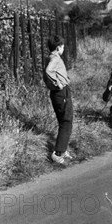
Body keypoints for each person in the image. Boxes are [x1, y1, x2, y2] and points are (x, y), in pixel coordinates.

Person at [44, 35, 74, 165]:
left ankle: (62, 149)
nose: (63, 48)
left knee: (64, 120)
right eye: (62, 46)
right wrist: (58, 83)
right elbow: (48, 71)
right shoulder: (55, 58)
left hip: (59, 93)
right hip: (61, 93)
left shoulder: (52, 57)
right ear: (58, 48)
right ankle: (57, 153)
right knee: (66, 121)